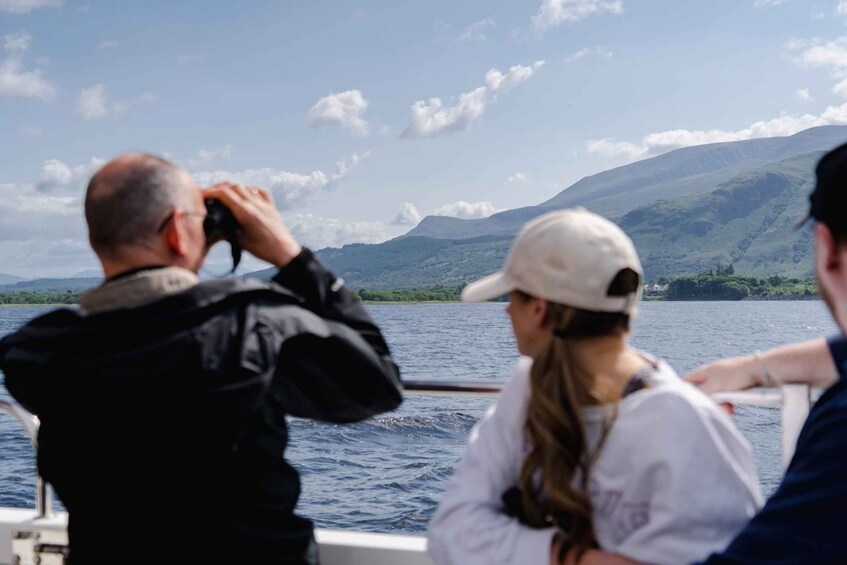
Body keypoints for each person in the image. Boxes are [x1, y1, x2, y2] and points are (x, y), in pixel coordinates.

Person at [0, 153, 403, 564]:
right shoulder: (252, 326)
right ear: (177, 229)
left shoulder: (39, 352)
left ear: (94, 239)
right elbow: (379, 387)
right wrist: (291, 255)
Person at [425, 208, 762, 565]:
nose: (507, 311)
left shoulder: (684, 420)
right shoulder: (528, 386)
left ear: (538, 309)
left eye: (512, 297)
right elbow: (450, 530)